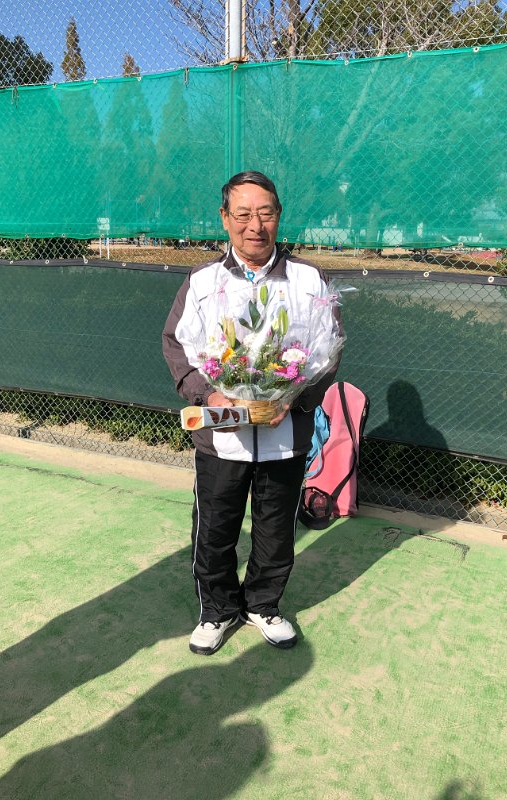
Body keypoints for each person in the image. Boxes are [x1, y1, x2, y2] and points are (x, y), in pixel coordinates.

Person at [162, 171, 342, 655]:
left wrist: (293, 398)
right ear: (225, 218)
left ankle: (264, 605)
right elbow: (177, 344)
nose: (254, 225)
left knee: (276, 529)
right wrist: (209, 395)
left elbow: (328, 352)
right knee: (214, 528)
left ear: (278, 216)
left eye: (265, 213)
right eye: (242, 214)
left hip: (285, 434)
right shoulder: (202, 281)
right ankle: (217, 611)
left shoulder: (309, 280)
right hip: (222, 438)